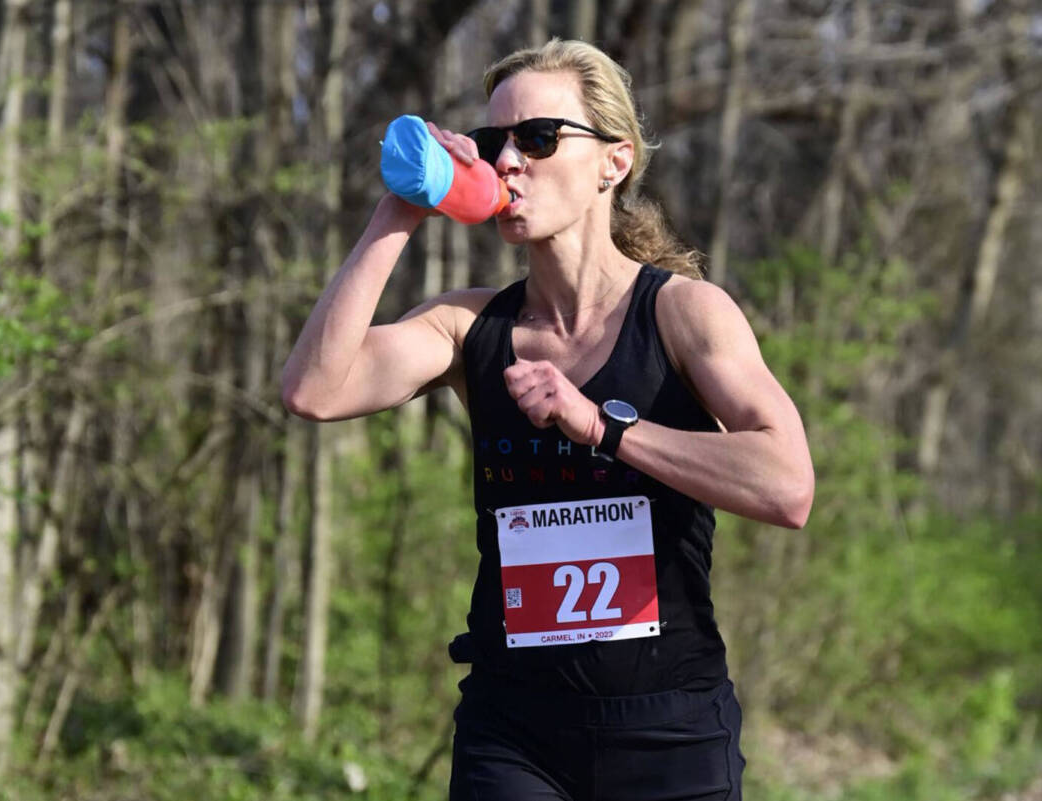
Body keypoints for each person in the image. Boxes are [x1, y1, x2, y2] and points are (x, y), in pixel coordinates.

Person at [282, 38, 814, 801]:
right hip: (515, 732)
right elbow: (313, 390)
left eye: (537, 138)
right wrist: (401, 208)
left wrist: (604, 427)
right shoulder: (467, 329)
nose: (506, 162)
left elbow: (788, 486)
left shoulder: (684, 315)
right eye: (496, 141)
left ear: (613, 162)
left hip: (670, 729)